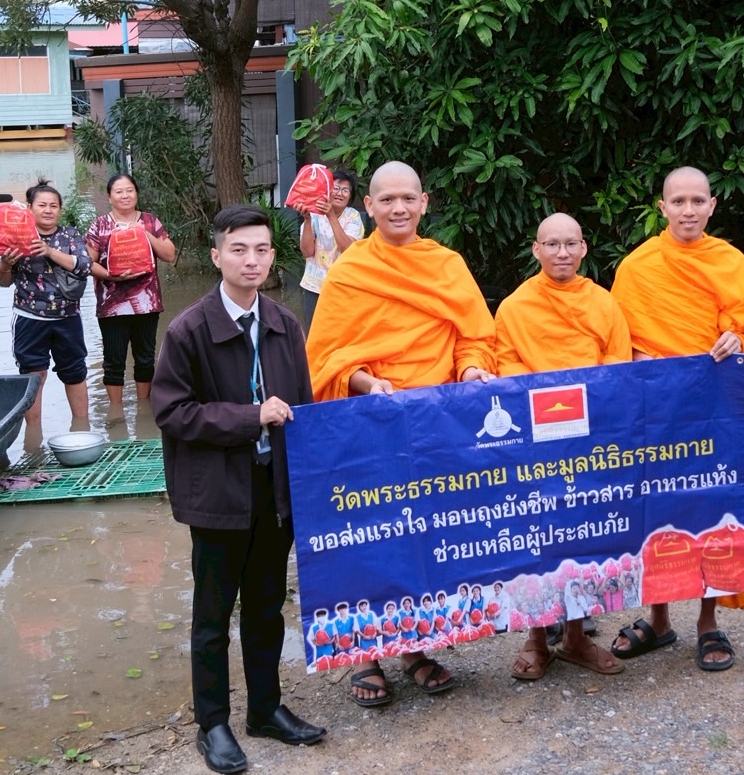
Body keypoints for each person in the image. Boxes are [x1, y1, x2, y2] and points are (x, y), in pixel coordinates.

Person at [305, 160, 498, 707]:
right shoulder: (349, 270)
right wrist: (365, 381)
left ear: (424, 202)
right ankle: (365, 654)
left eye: (407, 198)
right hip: (369, 422)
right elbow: (325, 356)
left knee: (426, 535)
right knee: (368, 532)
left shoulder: (447, 264)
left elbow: (475, 335)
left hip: (436, 425)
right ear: (367, 207)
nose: (398, 208)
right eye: (386, 199)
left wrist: (470, 370)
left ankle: (414, 647)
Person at [152, 203, 326, 773]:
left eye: (261, 250)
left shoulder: (282, 323)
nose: (251, 260)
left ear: (273, 256)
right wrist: (251, 417)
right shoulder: (188, 330)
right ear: (216, 255)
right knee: (212, 615)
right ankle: (214, 723)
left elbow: (298, 408)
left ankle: (266, 709)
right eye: (238, 250)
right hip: (218, 493)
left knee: (267, 608)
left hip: (272, 488)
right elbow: (173, 413)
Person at [609, 166, 744, 672]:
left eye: (696, 201)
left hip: (711, 416)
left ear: (712, 205)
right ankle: (658, 618)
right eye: (677, 201)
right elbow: (617, 347)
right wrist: (637, 359)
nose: (687, 210)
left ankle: (708, 621)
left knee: (710, 511)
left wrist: (737, 343)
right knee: (655, 514)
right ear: (661, 208)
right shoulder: (638, 268)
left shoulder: (730, 263)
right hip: (654, 418)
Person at [494, 212, 630, 680]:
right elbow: (507, 371)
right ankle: (536, 641)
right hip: (534, 445)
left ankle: (575, 638)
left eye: (570, 244)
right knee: (536, 542)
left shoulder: (604, 304)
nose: (561, 253)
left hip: (589, 443)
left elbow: (616, 370)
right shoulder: (514, 307)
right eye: (551, 244)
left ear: (584, 249)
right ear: (536, 250)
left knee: (585, 538)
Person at [0, 180, 90, 427]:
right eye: (42, 205)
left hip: (68, 318)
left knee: (75, 373)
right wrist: (5, 264)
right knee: (33, 377)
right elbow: (3, 282)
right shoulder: (16, 235)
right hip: (29, 318)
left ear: (60, 209)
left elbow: (84, 266)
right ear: (30, 208)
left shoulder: (69, 235)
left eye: (54, 206)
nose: (48, 210)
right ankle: (33, 438)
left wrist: (49, 251)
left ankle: (82, 428)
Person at [85, 173, 178, 411]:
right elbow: (86, 263)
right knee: (114, 360)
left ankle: (144, 410)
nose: (125, 195)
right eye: (119, 191)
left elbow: (169, 254)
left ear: (136, 193)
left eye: (129, 190)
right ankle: (116, 412)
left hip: (147, 302)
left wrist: (144, 234)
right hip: (111, 305)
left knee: (145, 358)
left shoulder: (149, 221)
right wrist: (110, 276)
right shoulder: (100, 225)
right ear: (109, 197)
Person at [296, 169, 363, 329]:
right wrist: (306, 220)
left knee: (341, 333)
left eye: (345, 190)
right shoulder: (313, 214)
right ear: (326, 190)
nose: (340, 193)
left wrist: (331, 215)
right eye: (336, 188)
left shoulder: (353, 216)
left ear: (350, 196)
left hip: (343, 286)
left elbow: (348, 250)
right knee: (313, 331)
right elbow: (307, 252)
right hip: (314, 286)